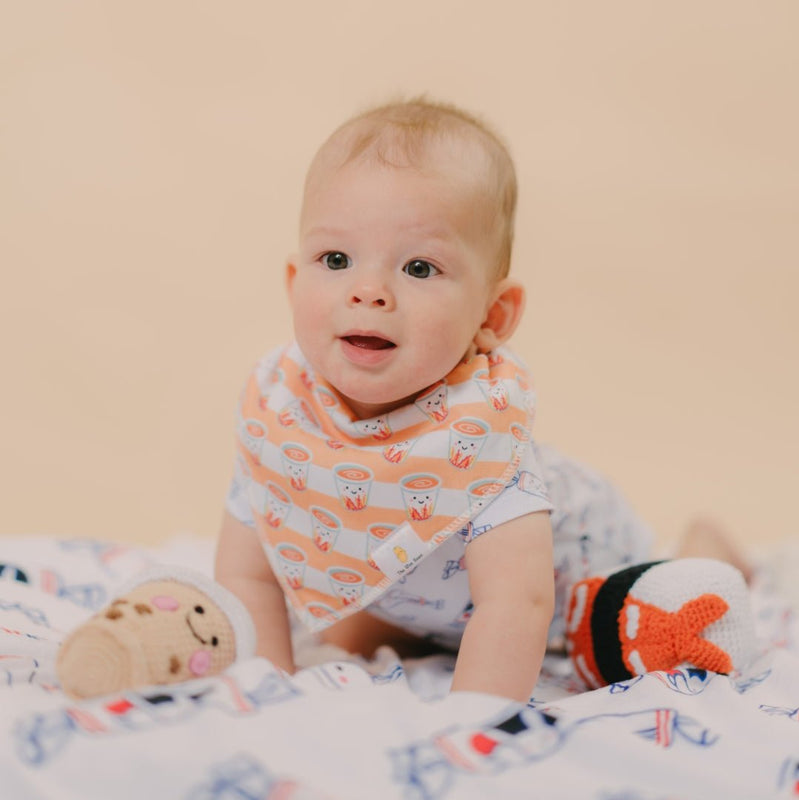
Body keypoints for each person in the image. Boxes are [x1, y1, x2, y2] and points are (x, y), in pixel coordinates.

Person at [214, 98, 722, 703]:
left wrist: (468, 725)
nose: (368, 291)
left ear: (493, 315)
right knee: (343, 626)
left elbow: (518, 603)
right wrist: (268, 691)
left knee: (665, 611)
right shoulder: (284, 412)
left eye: (420, 268)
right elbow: (247, 573)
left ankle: (708, 545)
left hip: (580, 588)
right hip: (432, 600)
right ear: (295, 284)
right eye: (337, 259)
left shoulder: (483, 442)